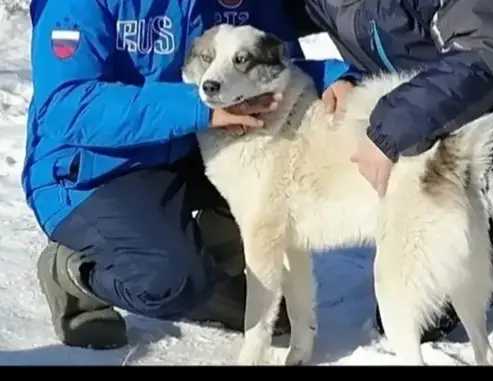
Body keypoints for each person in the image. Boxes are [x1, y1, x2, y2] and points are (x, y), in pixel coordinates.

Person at [23, 0, 357, 350]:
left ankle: (216, 274)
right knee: (170, 282)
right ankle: (72, 273)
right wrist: (198, 108)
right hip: (94, 168)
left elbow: (271, 59)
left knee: (271, 180)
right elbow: (68, 105)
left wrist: (332, 76)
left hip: (184, 146)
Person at [284, 0, 493, 366]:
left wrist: (389, 128)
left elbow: (485, 54)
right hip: (445, 148)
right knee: (409, 312)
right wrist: (342, 76)